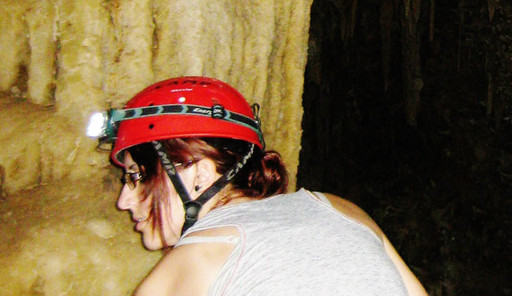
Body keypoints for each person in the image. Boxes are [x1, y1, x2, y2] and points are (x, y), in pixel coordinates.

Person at [87, 76, 429, 296]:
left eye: (136, 176)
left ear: (200, 174)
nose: (123, 200)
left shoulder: (188, 267)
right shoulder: (342, 210)